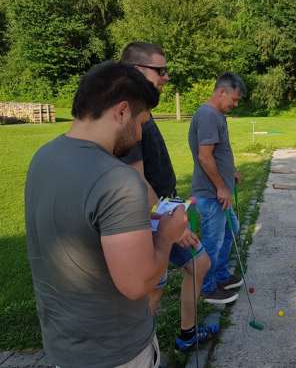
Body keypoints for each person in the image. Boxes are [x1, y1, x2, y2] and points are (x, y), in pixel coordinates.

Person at [25, 61, 188, 368]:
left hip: (64, 345)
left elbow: (83, 230)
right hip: (117, 351)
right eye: (140, 122)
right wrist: (166, 236)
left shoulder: (43, 158)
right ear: (122, 111)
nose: (140, 135)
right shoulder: (119, 180)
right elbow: (137, 284)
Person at [119, 42, 214, 352]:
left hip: (165, 211)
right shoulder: (127, 112)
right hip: (147, 220)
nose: (166, 77)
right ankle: (140, 352)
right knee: (152, 290)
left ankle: (187, 335)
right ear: (136, 71)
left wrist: (175, 205)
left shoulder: (143, 107)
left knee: (200, 263)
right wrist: (171, 221)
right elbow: (134, 179)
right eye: (160, 70)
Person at [188, 73, 247, 304]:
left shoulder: (217, 115)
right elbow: (204, 157)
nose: (235, 104)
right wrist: (222, 187)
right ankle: (208, 287)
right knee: (214, 241)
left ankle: (221, 275)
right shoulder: (208, 115)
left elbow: (218, 152)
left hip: (219, 192)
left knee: (232, 228)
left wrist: (230, 172)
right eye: (234, 99)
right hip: (211, 194)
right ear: (221, 92)